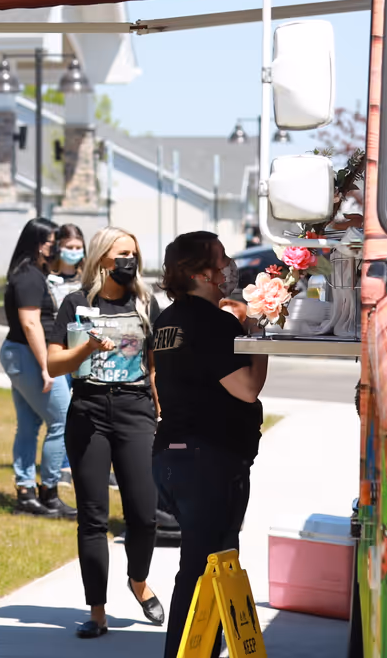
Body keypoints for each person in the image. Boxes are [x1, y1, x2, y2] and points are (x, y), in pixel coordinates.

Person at [150, 230, 268, 657]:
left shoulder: (167, 320)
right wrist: (257, 335)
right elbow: (248, 388)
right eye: (221, 260)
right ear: (201, 272)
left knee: (215, 563)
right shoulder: (215, 322)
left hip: (172, 457)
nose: (228, 267)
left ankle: (210, 648)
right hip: (208, 461)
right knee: (202, 569)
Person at [48, 227, 165, 638]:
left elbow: (154, 366)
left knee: (144, 514)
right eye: (121, 254)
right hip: (89, 410)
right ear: (101, 259)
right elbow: (54, 364)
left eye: (133, 253)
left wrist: (161, 411)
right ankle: (97, 612)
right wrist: (86, 349)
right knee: (93, 517)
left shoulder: (145, 302)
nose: (128, 261)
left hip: (135, 411)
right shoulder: (75, 304)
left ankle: (138, 580)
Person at [0, 216, 74, 518]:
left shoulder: (29, 272)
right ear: (38, 245)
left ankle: (26, 494)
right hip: (29, 355)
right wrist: (47, 367)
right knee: (63, 419)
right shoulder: (28, 276)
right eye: (52, 244)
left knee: (29, 425)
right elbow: (31, 324)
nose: (54, 249)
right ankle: (49, 493)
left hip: (19, 354)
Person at [47, 223, 86, 307]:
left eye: (78, 248)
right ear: (58, 247)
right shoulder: (47, 278)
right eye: (69, 247)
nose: (74, 251)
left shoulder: (87, 279)